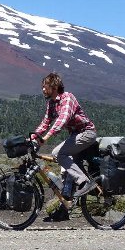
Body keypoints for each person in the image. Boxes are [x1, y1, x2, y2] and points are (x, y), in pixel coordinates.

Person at [30, 72, 98, 222]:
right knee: (65, 173)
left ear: (54, 86)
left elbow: (63, 119)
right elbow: (45, 122)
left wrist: (46, 137)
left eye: (45, 86)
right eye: (42, 87)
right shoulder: (51, 103)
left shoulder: (68, 98)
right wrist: (32, 138)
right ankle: (65, 209)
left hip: (87, 133)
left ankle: (84, 182)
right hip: (75, 135)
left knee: (58, 153)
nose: (42, 90)